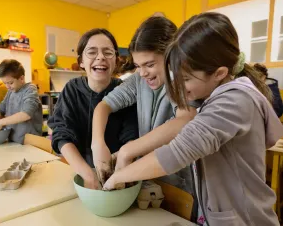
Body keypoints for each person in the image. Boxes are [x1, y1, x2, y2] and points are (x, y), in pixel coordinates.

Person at [103, 12, 282, 226]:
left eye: (185, 78)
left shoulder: (234, 101)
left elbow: (176, 153)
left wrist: (117, 177)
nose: (177, 86)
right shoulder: (214, 95)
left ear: (219, 73)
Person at [92, 16, 198, 193]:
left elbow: (185, 119)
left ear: (172, 56)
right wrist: (97, 144)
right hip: (146, 178)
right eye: (137, 66)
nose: (142, 73)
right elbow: (104, 106)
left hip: (177, 183)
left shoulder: (183, 82)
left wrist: (128, 151)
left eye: (149, 64)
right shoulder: (138, 80)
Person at [48, 28, 138, 189]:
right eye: (92, 52)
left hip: (117, 173)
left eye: (107, 52)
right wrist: (88, 175)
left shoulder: (126, 92)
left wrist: (116, 174)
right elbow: (62, 135)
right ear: (81, 61)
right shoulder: (71, 90)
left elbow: (131, 135)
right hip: (79, 171)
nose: (100, 57)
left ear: (116, 60)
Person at [0, 59, 42, 144]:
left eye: (10, 83)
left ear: (21, 78)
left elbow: (26, 114)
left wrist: (0, 122)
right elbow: (0, 110)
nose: (7, 86)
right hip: (13, 141)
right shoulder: (11, 92)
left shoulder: (30, 89)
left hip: (29, 143)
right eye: (5, 83)